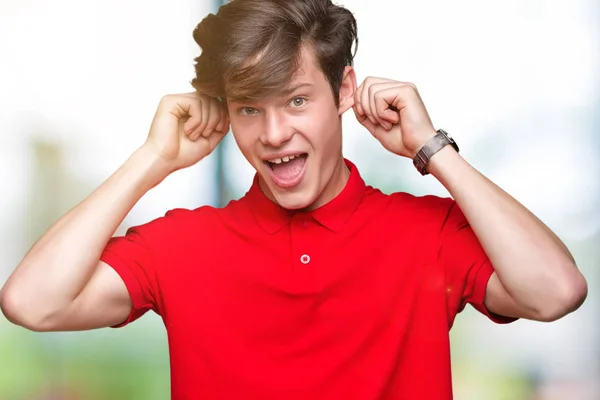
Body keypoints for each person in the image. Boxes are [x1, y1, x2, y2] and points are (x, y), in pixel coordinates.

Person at [0, 0, 588, 398]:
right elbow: (33, 303)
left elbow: (556, 291)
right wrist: (152, 160)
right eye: (249, 108)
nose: (274, 133)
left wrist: (434, 150)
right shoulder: (180, 245)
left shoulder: (428, 234)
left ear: (344, 91)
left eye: (296, 101)